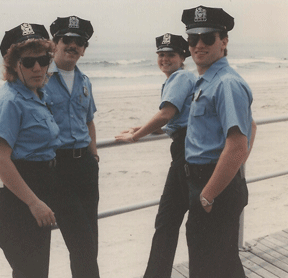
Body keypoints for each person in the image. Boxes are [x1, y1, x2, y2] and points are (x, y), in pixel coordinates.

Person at [181, 6, 254, 277]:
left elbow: (237, 146)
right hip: (212, 183)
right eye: (193, 38)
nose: (199, 44)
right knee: (223, 265)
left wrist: (208, 194)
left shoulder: (226, 83)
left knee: (207, 267)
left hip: (213, 188)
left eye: (208, 38)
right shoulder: (208, 80)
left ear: (223, 42)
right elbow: (252, 127)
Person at [115, 33, 195, 278]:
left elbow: (166, 114)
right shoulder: (180, 78)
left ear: (183, 57)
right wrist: (140, 128)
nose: (164, 58)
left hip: (185, 152)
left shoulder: (180, 77)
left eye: (171, 54)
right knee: (170, 220)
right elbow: (175, 119)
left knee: (167, 220)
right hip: (187, 148)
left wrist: (135, 137)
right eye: (161, 54)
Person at [0, 23, 59, 278]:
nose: (38, 67)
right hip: (16, 198)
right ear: (13, 65)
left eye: (43, 59)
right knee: (31, 272)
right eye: (29, 62)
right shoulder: (9, 101)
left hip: (38, 187)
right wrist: (34, 203)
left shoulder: (35, 94)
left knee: (35, 272)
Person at [45, 16, 100, 278]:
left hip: (86, 167)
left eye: (80, 42)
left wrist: (94, 155)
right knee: (81, 241)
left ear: (84, 49)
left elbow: (89, 121)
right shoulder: (39, 77)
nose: (73, 45)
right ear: (54, 43)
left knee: (91, 238)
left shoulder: (84, 81)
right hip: (58, 168)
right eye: (67, 39)